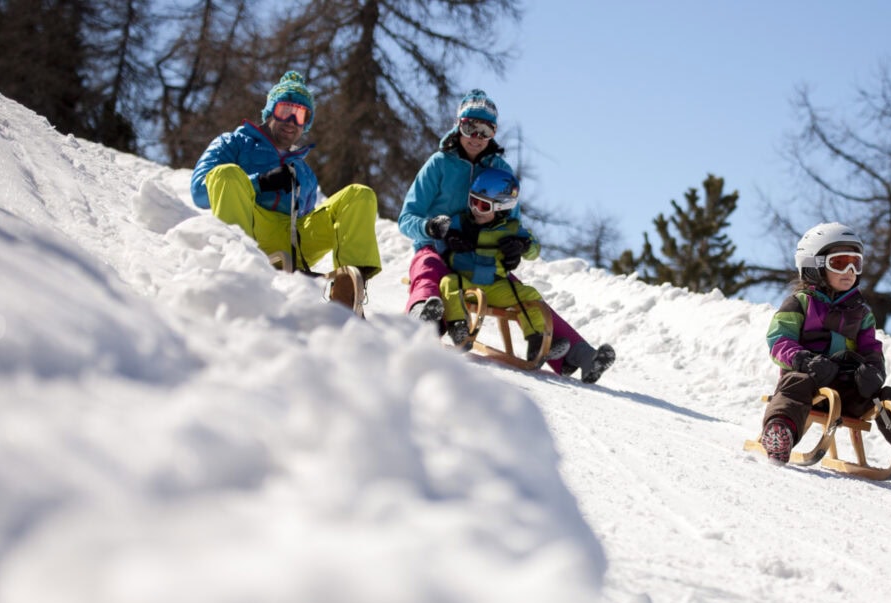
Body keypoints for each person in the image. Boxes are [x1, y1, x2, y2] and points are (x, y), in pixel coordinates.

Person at [398, 89, 615, 383]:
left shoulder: (499, 169)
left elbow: (512, 218)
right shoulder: (439, 164)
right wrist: (430, 228)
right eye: (469, 127)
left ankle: (579, 356)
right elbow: (406, 217)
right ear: (458, 125)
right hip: (438, 248)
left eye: (485, 130)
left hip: (481, 255)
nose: (476, 135)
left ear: (493, 133)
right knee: (429, 270)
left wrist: (512, 246)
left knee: (519, 292)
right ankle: (423, 318)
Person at [759, 222, 891, 480]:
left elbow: (871, 350)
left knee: (889, 398)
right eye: (840, 262)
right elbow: (778, 340)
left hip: (850, 389)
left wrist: (874, 372)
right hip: (810, 382)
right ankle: (780, 432)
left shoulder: (862, 314)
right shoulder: (800, 303)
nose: (850, 271)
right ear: (815, 266)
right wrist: (803, 359)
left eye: (856, 263)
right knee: (794, 383)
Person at [190, 71, 381, 317]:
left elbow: (309, 217)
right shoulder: (233, 143)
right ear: (271, 111)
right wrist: (259, 183)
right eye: (285, 110)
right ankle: (238, 276)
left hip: (291, 239)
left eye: (301, 115)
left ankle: (348, 294)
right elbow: (199, 192)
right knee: (226, 173)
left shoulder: (304, 171)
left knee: (358, 194)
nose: (291, 120)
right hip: (249, 225)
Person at [432, 167, 557, 362]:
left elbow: (535, 250)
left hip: (495, 286)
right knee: (448, 283)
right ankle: (458, 328)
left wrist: (522, 245)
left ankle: (536, 339)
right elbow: (437, 238)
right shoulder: (460, 222)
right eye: (473, 202)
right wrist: (448, 238)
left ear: (501, 208)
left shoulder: (512, 229)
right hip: (465, 281)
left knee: (529, 295)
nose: (475, 210)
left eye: (483, 206)